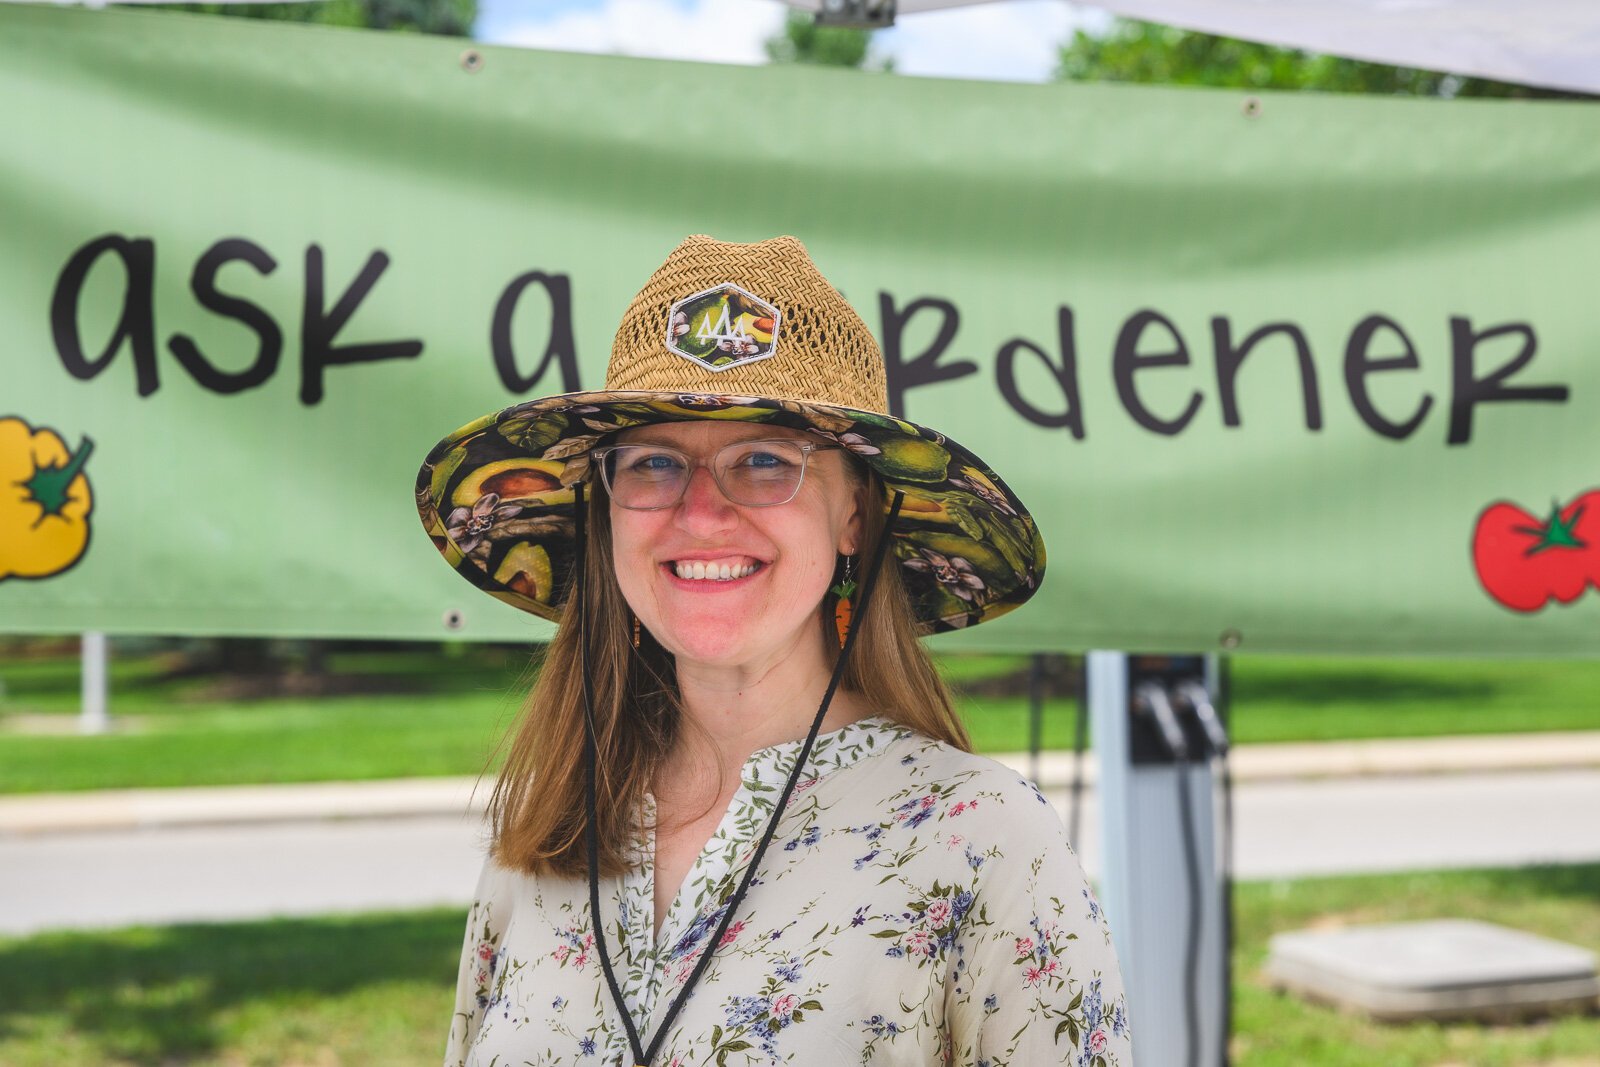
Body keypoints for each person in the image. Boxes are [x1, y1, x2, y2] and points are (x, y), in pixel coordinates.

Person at [415, 235, 1131, 1066]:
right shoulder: (546, 833)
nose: (703, 513)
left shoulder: (980, 840)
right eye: (653, 463)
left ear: (855, 513)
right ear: (605, 510)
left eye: (763, 460)